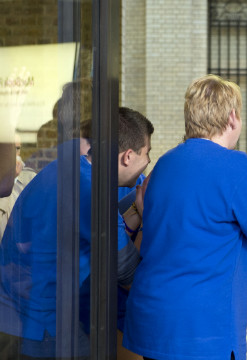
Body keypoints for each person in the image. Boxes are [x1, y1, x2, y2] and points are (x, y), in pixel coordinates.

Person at [123, 74, 247, 360]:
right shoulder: (238, 166)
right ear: (233, 118)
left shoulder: (164, 164)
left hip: (154, 319)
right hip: (203, 329)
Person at [0, 106, 154, 359]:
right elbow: (128, 272)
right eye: (147, 154)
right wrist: (148, 213)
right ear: (128, 156)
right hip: (43, 326)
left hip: (17, 313)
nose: (147, 162)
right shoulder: (93, 192)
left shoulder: (67, 168)